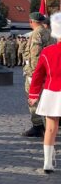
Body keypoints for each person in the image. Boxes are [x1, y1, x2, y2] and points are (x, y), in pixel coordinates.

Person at [28, 12, 61, 174]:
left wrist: (33, 95)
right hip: (53, 92)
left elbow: (38, 75)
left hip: (52, 92)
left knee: (50, 129)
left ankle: (48, 163)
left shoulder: (47, 52)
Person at [23, 12, 52, 137]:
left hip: (36, 72)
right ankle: (49, 124)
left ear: (31, 21)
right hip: (48, 70)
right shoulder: (49, 32)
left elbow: (35, 55)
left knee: (33, 99)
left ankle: (37, 126)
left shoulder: (37, 33)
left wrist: (34, 74)